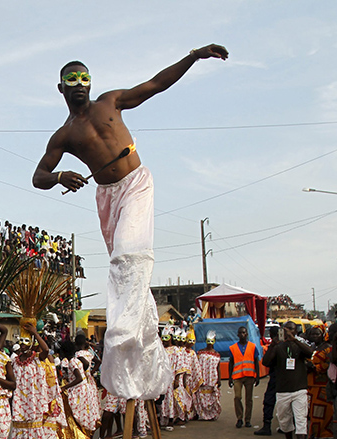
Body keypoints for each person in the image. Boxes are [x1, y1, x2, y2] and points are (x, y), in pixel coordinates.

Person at [32, 46, 228, 402]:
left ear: (91, 83)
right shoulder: (64, 134)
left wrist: (194, 56)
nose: (79, 84)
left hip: (135, 183)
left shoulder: (110, 102)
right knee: (120, 265)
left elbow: (155, 84)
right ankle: (142, 332)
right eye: (71, 79)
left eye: (84, 77)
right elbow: (38, 176)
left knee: (129, 253)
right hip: (107, 195)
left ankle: (123, 331)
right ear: (61, 88)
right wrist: (60, 176)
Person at [5, 322, 53, 439]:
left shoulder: (37, 358)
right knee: (19, 433)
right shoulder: (14, 361)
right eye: (21, 342)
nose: (23, 345)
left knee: (34, 434)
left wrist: (35, 332)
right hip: (19, 405)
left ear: (32, 343)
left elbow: (46, 350)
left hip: (34, 404)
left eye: (27, 342)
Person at [262, 321, 313, 439]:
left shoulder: (299, 345)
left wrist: (294, 339)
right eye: (286, 330)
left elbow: (310, 353)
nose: (288, 332)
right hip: (283, 391)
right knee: (284, 421)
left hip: (300, 389)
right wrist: (273, 344)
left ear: (295, 331)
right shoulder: (279, 347)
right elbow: (266, 362)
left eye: (291, 329)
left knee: (301, 419)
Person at [228, 326, 260, 428]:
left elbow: (256, 362)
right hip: (237, 376)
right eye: (240, 333)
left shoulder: (252, 346)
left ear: (247, 334)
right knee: (237, 397)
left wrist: (257, 376)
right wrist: (229, 378)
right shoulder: (233, 348)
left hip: (249, 376)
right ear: (238, 335)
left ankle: (248, 420)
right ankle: (239, 418)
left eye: (244, 333)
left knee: (249, 399)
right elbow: (231, 363)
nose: (242, 335)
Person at [254, 326, 279, 436]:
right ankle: (267, 426)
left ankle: (287, 427)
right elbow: (266, 362)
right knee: (269, 401)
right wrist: (273, 345)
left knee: (286, 404)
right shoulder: (273, 346)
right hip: (275, 377)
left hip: (287, 379)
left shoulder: (292, 345)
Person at [195, 331, 221, 421]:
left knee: (212, 396)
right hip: (203, 378)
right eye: (208, 341)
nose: (209, 344)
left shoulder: (216, 354)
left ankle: (212, 414)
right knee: (201, 396)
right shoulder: (201, 352)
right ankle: (202, 415)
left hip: (212, 379)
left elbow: (218, 367)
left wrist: (219, 379)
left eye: (212, 341)